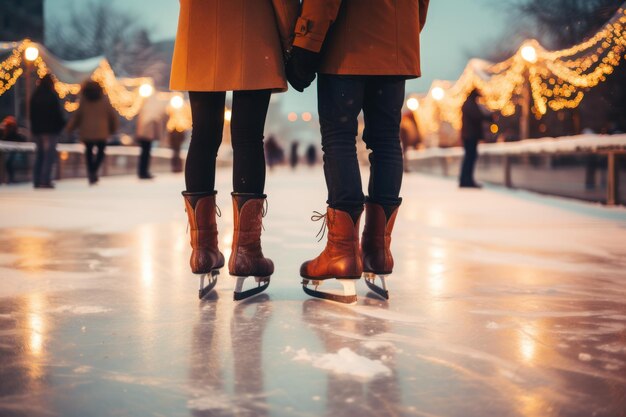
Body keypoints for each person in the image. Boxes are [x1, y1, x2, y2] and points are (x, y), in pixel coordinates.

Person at [287, 0, 430, 303]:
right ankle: (378, 251)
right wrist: (402, 28)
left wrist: (306, 41)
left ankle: (342, 251)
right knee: (387, 140)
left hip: (347, 40)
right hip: (395, 38)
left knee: (339, 137)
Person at [170, 0, 299, 300]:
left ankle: (202, 251)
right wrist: (293, 37)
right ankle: (246, 252)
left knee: (202, 136)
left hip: (199, 29)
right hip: (253, 29)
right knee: (248, 138)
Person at [66, 80, 119, 185]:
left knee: (89, 152)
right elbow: (112, 116)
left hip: (87, 131)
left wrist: (70, 128)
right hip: (101, 131)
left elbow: (78, 115)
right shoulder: (104, 100)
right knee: (100, 152)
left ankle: (91, 172)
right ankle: (94, 170)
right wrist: (113, 129)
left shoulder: (84, 100)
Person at [30, 74, 66, 189]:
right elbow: (57, 114)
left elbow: (31, 115)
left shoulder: (35, 96)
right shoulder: (52, 96)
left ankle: (36, 180)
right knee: (48, 156)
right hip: (50, 131)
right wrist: (61, 126)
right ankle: (45, 180)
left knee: (39, 155)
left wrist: (34, 129)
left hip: (38, 131)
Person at [459, 89, 493, 188]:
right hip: (470, 136)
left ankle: (465, 180)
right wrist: (488, 117)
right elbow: (477, 116)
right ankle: (466, 180)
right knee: (470, 158)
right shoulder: (470, 104)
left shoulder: (468, 103)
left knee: (469, 158)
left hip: (468, 136)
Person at [1, 116, 26, 184]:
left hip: (12, 151)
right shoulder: (5, 132)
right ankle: (9, 178)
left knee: (8, 163)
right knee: (8, 163)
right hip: (7, 151)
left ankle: (10, 178)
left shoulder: (14, 133)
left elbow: (22, 140)